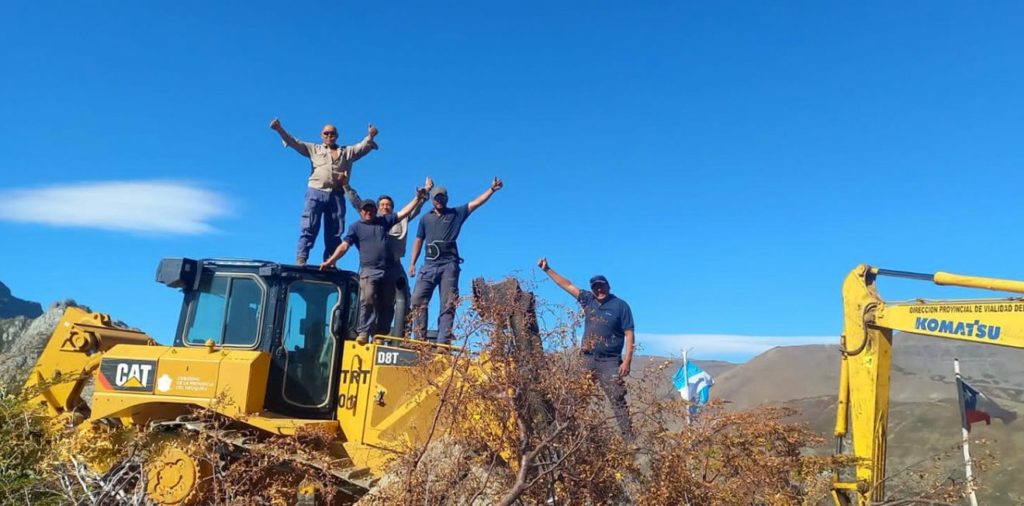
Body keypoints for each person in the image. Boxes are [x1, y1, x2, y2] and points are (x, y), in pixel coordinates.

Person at [320, 180, 430, 344]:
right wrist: (331, 260)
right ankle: (364, 332)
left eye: (387, 205)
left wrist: (420, 197)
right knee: (369, 298)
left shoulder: (388, 221)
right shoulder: (360, 225)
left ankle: (386, 335)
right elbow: (345, 244)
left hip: (392, 267)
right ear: (365, 211)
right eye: (380, 205)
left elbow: (407, 211)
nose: (383, 208)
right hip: (370, 269)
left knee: (394, 301)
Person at [537, 257, 635, 440]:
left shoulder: (621, 306)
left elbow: (629, 334)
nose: (599, 290)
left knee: (617, 398)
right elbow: (567, 285)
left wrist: (627, 360)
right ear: (592, 289)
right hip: (587, 358)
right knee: (574, 397)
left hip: (610, 361)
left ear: (608, 286)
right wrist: (547, 269)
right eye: (595, 287)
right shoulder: (588, 300)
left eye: (602, 286)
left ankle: (629, 439)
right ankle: (566, 437)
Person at [270, 117, 379, 266]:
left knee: (335, 230)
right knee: (309, 225)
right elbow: (294, 142)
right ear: (321, 135)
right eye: (326, 133)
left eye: (332, 133)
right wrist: (279, 129)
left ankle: (330, 262)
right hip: (316, 191)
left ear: (337, 136)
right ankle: (302, 258)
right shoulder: (314, 149)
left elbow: (362, 146)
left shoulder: (346, 152)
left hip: (337, 194)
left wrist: (371, 136)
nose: (329, 136)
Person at [408, 177, 504, 343]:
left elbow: (475, 203)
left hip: (449, 265)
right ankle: (419, 341)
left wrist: (491, 190)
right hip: (429, 265)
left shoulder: (455, 214)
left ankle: (442, 342)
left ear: (446, 199)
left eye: (442, 198)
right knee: (417, 299)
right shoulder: (425, 218)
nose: (439, 200)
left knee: (448, 303)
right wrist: (412, 263)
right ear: (432, 199)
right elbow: (418, 240)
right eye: (436, 198)